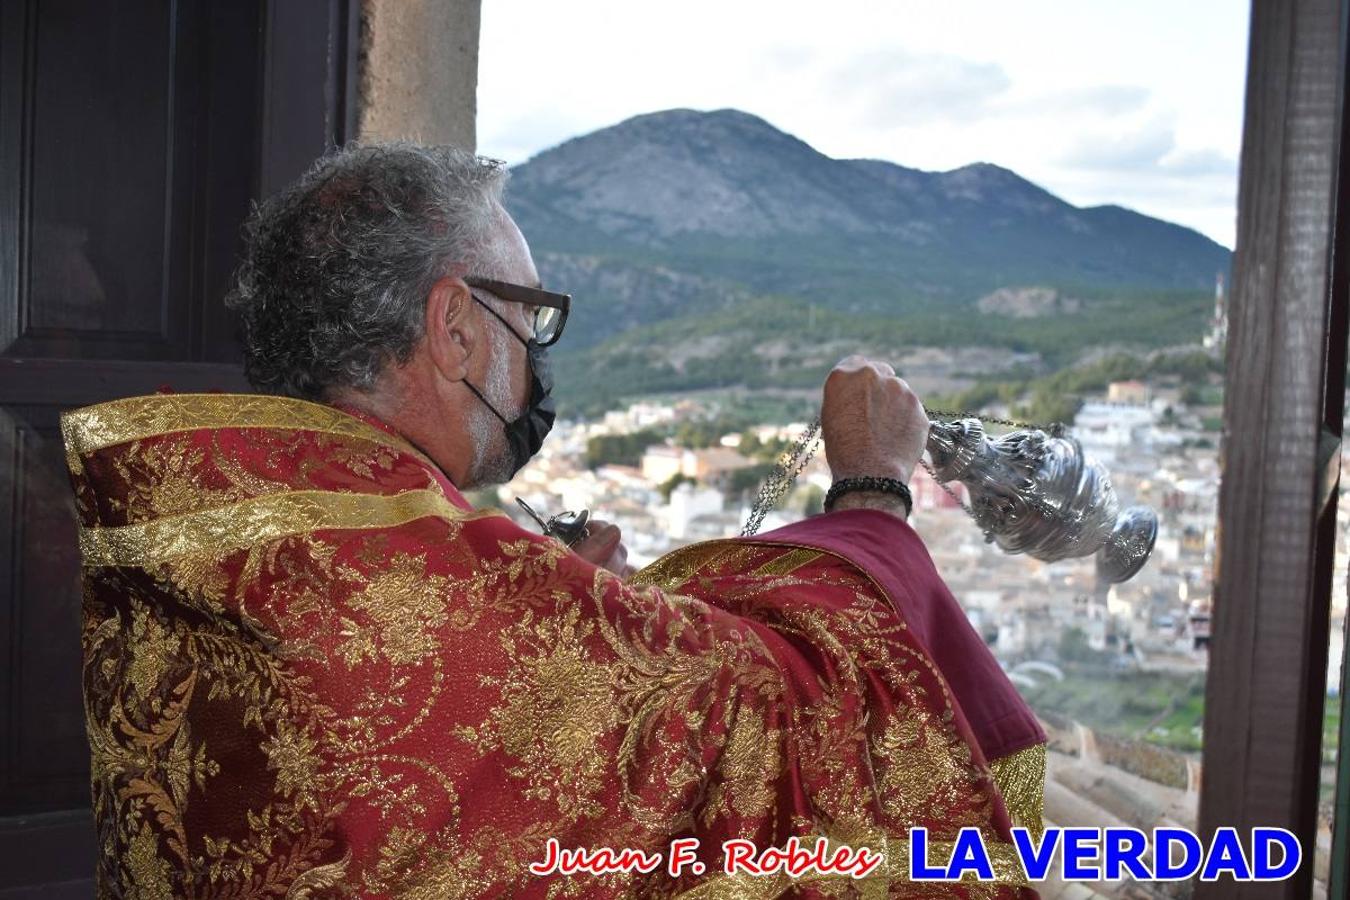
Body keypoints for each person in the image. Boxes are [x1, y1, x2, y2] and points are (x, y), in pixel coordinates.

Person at [61, 143, 1045, 898]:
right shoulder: (459, 595)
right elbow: (783, 711)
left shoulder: (221, 539)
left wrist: (569, 588)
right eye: (527, 321)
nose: (534, 356)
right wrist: (872, 494)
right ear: (452, 329)